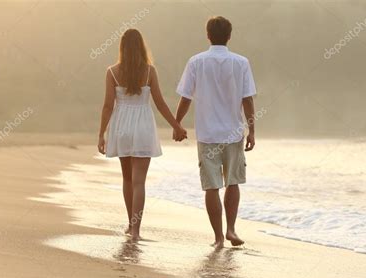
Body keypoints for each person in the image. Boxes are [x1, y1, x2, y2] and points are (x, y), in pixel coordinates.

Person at [175, 16, 257, 248]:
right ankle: (231, 228)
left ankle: (218, 237)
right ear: (229, 36)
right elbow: (247, 99)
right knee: (233, 182)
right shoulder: (241, 62)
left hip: (208, 134)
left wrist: (177, 124)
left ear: (208, 35)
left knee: (211, 186)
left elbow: (186, 97)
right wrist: (251, 131)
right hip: (233, 132)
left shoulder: (196, 62)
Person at [98, 29, 187, 240]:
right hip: (143, 126)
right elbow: (160, 103)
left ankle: (130, 225)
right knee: (139, 182)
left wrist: (101, 134)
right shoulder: (149, 71)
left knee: (127, 179)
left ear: (121, 48)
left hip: (121, 127)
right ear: (141, 47)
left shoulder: (112, 72)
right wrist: (177, 126)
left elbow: (108, 106)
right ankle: (136, 230)